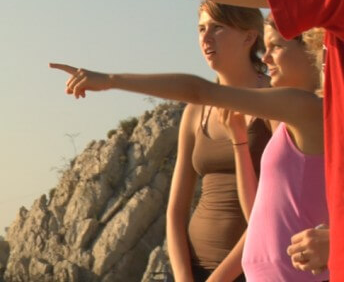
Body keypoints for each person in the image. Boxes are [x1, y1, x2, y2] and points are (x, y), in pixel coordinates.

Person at [50, 15, 328, 281]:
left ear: (312, 51)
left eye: (277, 47)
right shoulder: (288, 120)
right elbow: (256, 212)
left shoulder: (304, 108)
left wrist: (111, 80)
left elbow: (200, 91)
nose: (265, 58)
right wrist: (240, 144)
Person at [170, 0, 344, 280]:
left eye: (217, 27)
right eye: (201, 29)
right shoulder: (197, 112)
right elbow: (178, 209)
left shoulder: (286, 105)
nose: (206, 39)